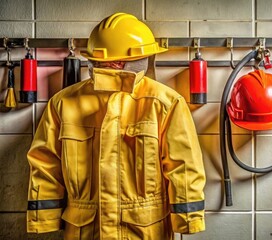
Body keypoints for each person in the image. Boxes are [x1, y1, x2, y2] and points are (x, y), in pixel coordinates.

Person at [26, 12, 206, 239]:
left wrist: (188, 218)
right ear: (119, 62)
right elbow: (45, 164)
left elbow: (184, 166)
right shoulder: (63, 104)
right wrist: (44, 219)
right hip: (86, 230)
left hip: (145, 230)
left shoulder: (164, 103)